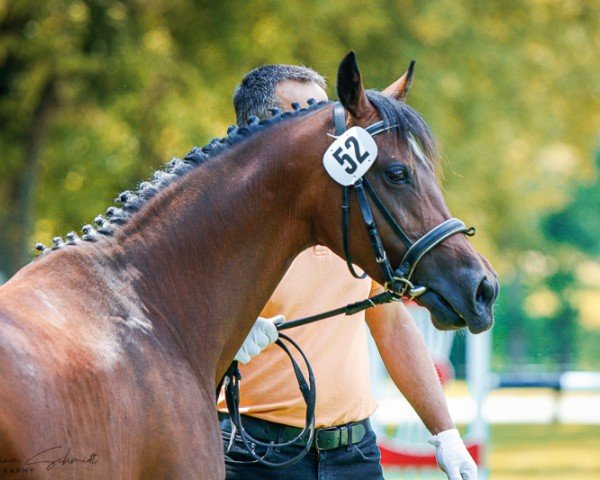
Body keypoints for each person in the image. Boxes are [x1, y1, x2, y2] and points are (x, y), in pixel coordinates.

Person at [217, 64, 477, 480]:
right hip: (255, 455)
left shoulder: (350, 224)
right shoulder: (223, 225)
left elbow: (392, 329)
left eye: (326, 113)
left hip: (354, 453)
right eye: (306, 115)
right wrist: (227, 335)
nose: (328, 130)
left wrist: (445, 434)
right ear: (261, 129)